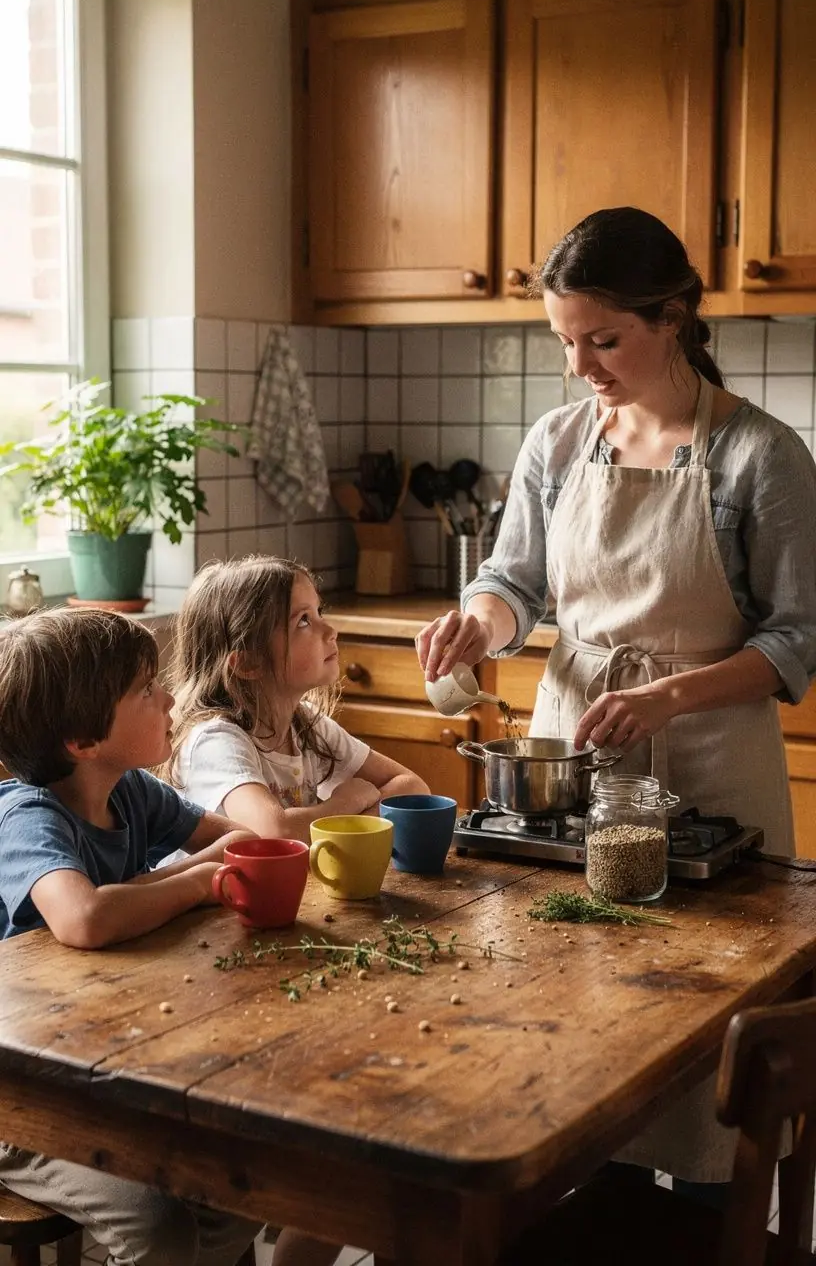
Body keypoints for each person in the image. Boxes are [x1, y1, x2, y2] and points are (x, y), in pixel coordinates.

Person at [416, 206, 816, 1190]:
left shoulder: (760, 458)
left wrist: (675, 695)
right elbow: (515, 585)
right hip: (572, 761)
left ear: (674, 315)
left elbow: (798, 638)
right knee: (574, 1009)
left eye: (604, 338)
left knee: (704, 1032)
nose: (582, 364)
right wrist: (480, 623)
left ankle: (703, 1224)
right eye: (566, 340)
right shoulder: (556, 446)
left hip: (715, 760)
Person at [0, 607, 339, 1266]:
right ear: (81, 738)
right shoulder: (25, 817)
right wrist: (196, 883)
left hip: (104, 1072)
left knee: (249, 1185)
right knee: (163, 1227)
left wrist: (203, 867)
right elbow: (83, 918)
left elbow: (241, 841)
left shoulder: (130, 794)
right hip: (19, 1100)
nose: (172, 697)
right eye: (146, 689)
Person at [169, 555, 430, 842]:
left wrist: (342, 824)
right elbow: (274, 833)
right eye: (303, 621)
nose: (331, 631)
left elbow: (412, 790)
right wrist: (343, 806)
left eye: (319, 612)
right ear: (248, 663)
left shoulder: (307, 725)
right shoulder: (216, 741)